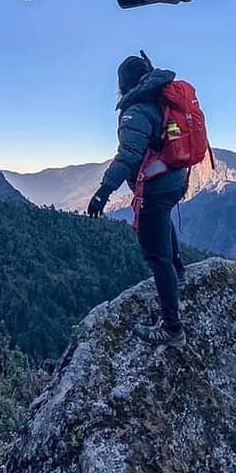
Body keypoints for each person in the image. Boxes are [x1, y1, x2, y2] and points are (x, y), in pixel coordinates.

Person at [87, 54, 188, 347]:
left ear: (123, 84)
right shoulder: (162, 97)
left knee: (156, 257)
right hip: (176, 180)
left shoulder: (136, 111)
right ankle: (179, 271)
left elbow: (129, 157)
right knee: (163, 220)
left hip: (156, 188)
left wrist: (102, 192)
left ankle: (172, 329)